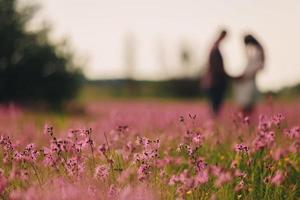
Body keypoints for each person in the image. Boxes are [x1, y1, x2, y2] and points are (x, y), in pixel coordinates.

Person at [234, 34, 265, 115]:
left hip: (249, 80)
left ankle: (246, 123)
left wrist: (245, 76)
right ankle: (245, 123)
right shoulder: (255, 49)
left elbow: (258, 67)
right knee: (245, 104)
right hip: (247, 79)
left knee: (247, 102)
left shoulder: (257, 50)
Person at [202, 30, 229, 116]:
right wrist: (228, 75)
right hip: (215, 81)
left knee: (215, 104)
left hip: (213, 81)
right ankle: (214, 121)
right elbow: (217, 67)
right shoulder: (215, 49)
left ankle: (214, 121)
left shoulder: (214, 47)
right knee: (215, 104)